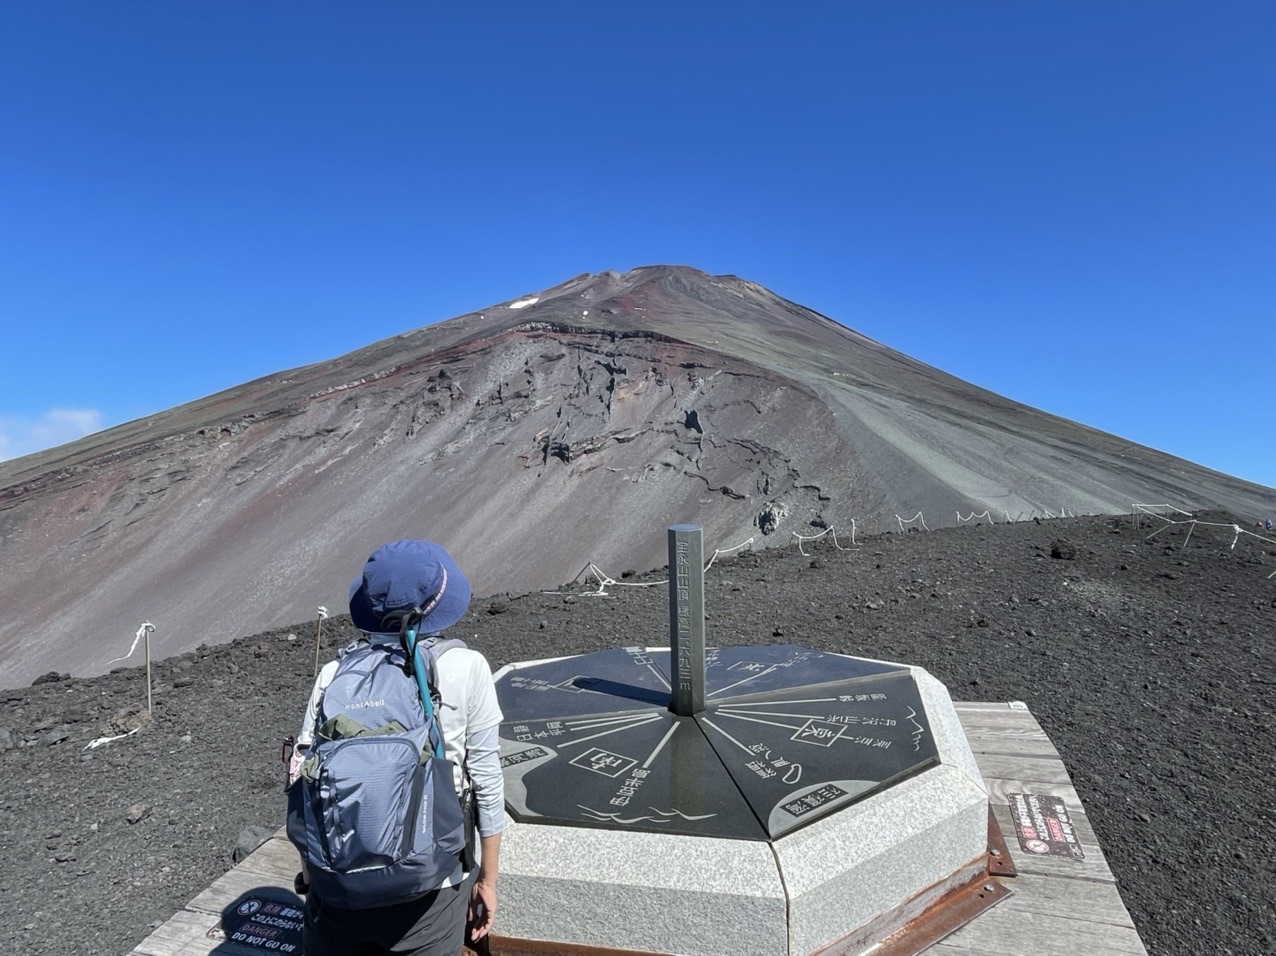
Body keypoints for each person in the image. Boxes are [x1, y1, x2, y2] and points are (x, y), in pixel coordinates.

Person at [292, 540, 504, 956]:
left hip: (337, 889)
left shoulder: (335, 673)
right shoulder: (466, 667)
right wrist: (488, 882)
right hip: (430, 890)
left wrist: (313, 877)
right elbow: (486, 782)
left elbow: (302, 780)